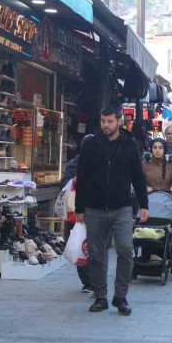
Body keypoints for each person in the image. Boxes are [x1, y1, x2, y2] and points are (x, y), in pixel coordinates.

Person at [75, 105, 149, 316]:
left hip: (122, 208)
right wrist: (80, 208)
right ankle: (100, 296)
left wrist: (144, 205)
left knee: (125, 249)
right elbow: (82, 178)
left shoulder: (129, 145)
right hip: (94, 207)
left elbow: (138, 176)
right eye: (103, 121)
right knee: (97, 254)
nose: (105, 125)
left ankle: (121, 296)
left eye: (109, 121)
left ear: (119, 121)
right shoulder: (91, 144)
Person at [62, 154, 95, 294]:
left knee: (94, 245)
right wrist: (74, 180)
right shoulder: (73, 164)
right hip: (78, 211)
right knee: (81, 245)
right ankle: (87, 281)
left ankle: (95, 280)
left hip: (96, 209)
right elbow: (65, 185)